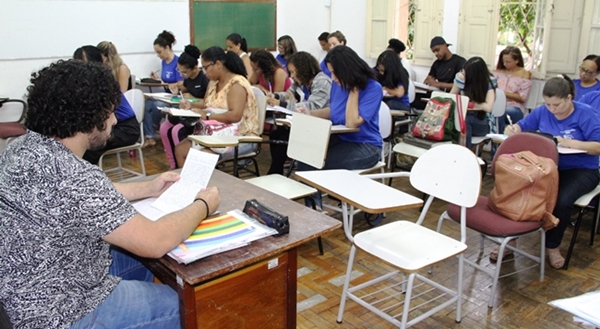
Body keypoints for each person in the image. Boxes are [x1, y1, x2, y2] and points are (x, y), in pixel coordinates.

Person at [0, 59, 221, 329]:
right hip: (60, 314)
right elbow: (155, 240)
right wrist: (203, 204)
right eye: (110, 112)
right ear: (90, 116)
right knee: (191, 304)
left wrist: (148, 188)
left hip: (21, 295)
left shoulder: (21, 147)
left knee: (136, 260)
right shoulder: (75, 175)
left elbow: (82, 198)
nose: (115, 119)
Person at [504, 75, 600, 269]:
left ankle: (552, 246)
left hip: (581, 169)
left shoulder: (586, 114)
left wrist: (569, 143)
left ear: (569, 98)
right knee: (521, 189)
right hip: (549, 166)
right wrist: (513, 128)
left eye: (556, 105)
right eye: (548, 104)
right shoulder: (543, 111)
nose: (552, 109)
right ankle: (510, 238)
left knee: (562, 200)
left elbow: (597, 147)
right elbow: (523, 126)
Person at [297, 45, 382, 209]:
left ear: (347, 71)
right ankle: (313, 208)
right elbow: (334, 111)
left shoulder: (373, 88)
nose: (333, 78)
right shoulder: (338, 84)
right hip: (342, 139)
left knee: (318, 162)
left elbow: (352, 122)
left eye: (335, 73)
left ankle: (316, 210)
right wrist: (310, 113)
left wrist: (354, 89)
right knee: (306, 156)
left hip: (366, 146)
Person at [174, 46, 259, 167]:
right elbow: (207, 104)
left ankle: (207, 184)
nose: (204, 72)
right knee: (180, 150)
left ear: (218, 64)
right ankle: (190, 184)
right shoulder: (214, 82)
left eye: (205, 67)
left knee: (201, 156)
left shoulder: (236, 84)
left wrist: (208, 116)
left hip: (241, 137)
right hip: (215, 133)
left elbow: (235, 116)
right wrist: (190, 105)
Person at [266, 51, 332, 174]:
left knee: (284, 137)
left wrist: (281, 104)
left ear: (302, 69)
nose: (291, 76)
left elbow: (312, 107)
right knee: (275, 135)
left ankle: (275, 172)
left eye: (292, 72)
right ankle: (276, 172)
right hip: (307, 122)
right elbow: (288, 94)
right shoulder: (301, 81)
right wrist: (274, 96)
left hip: (322, 124)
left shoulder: (322, 82)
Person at [73, 45, 140, 165]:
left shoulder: (104, 83)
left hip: (125, 129)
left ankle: (87, 178)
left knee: (88, 146)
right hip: (111, 126)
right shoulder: (86, 84)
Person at [159, 45, 210, 169]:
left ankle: (184, 167)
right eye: (179, 71)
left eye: (184, 72)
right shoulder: (187, 79)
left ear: (194, 68)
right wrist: (176, 89)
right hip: (187, 113)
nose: (182, 75)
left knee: (177, 130)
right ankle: (173, 165)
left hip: (199, 116)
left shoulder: (204, 79)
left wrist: (191, 100)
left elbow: (208, 102)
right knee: (164, 127)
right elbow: (185, 89)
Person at [144, 31, 183, 148]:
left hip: (176, 97)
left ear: (167, 48)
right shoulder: (164, 62)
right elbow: (166, 82)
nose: (158, 55)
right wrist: (157, 79)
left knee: (157, 105)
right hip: (166, 95)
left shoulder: (178, 62)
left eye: (159, 52)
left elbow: (181, 83)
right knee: (146, 104)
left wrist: (173, 85)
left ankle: (155, 125)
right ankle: (150, 137)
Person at [450, 56, 497, 149]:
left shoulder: (489, 81)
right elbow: (451, 96)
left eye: (466, 72)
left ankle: (464, 153)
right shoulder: (462, 78)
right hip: (463, 115)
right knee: (454, 121)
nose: (463, 72)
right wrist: (459, 80)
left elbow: (488, 107)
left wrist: (471, 105)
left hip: (482, 120)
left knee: (465, 121)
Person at [412, 36, 466, 110]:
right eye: (434, 52)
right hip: (438, 94)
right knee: (413, 98)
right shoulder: (437, 64)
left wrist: (437, 84)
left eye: (437, 50)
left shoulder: (459, 62)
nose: (436, 54)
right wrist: (428, 83)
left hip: (452, 96)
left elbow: (460, 85)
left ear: (444, 45)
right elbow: (428, 80)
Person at [493, 46, 532, 132]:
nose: (504, 64)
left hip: (514, 107)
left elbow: (522, 98)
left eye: (508, 62)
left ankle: (499, 139)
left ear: (517, 61)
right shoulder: (498, 72)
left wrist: (503, 93)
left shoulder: (524, 74)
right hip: (496, 104)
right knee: (491, 110)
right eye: (503, 61)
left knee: (500, 111)